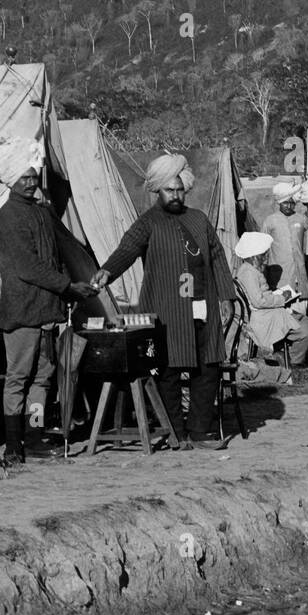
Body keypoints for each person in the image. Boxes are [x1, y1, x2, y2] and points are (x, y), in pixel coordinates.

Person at [91, 154, 235, 450]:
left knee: (207, 368)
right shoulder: (148, 223)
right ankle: (175, 433)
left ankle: (199, 431)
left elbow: (218, 257)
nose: (176, 195)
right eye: (170, 190)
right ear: (158, 190)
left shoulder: (198, 219)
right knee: (168, 370)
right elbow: (127, 249)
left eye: (180, 189)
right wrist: (107, 270)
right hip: (166, 309)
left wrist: (227, 296)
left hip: (203, 305)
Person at [0, 136, 98, 463]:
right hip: (23, 310)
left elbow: (53, 259)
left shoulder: (41, 212)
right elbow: (28, 267)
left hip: (47, 309)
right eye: (23, 177)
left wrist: (68, 290)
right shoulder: (9, 217)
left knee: (42, 379)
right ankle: (13, 446)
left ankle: (34, 437)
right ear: (10, 178)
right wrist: (69, 287)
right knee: (19, 378)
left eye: (33, 176)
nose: (30, 182)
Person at [233, 231, 308, 373]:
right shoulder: (248, 272)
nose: (266, 258)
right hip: (262, 318)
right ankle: (295, 365)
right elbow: (259, 301)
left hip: (267, 313)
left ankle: (294, 362)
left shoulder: (252, 270)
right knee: (306, 331)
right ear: (254, 256)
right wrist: (282, 298)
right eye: (263, 255)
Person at [262, 181, 308, 300]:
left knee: (300, 310)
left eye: (291, 203)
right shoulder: (270, 221)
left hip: (299, 273)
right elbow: (263, 250)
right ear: (279, 203)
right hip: (279, 275)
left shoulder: (301, 219)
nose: (288, 206)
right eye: (285, 203)